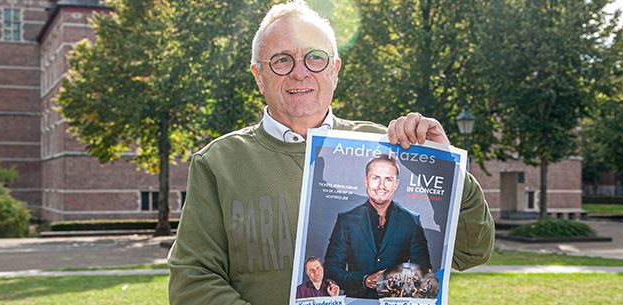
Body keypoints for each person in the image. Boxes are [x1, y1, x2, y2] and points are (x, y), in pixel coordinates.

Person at [167, 1, 494, 305]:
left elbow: (471, 251)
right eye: (282, 59)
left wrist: (446, 165)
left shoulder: (389, 149)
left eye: (315, 57)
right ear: (258, 76)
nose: (299, 72)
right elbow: (192, 281)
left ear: (334, 70)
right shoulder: (217, 163)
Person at [324, 156, 431, 299]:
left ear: (396, 184)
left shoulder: (411, 221)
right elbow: (331, 270)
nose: (381, 185)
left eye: (388, 179)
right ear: (366, 180)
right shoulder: (346, 220)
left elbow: (423, 271)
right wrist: (364, 279)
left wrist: (394, 277)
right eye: (375, 178)